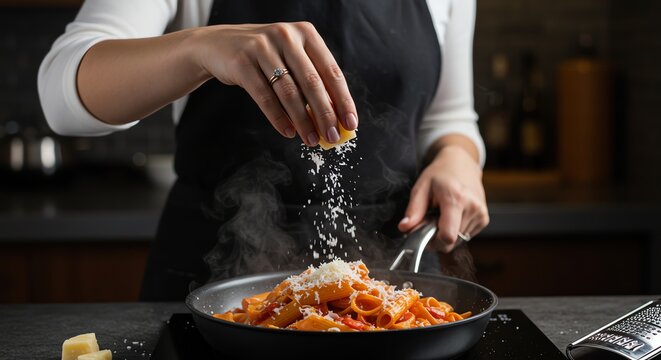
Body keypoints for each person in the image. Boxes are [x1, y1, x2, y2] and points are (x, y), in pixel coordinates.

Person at [38, 0, 489, 301]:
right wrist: (199, 47)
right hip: (212, 274)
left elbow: (449, 118)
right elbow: (62, 95)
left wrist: (459, 158)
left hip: (395, 269)